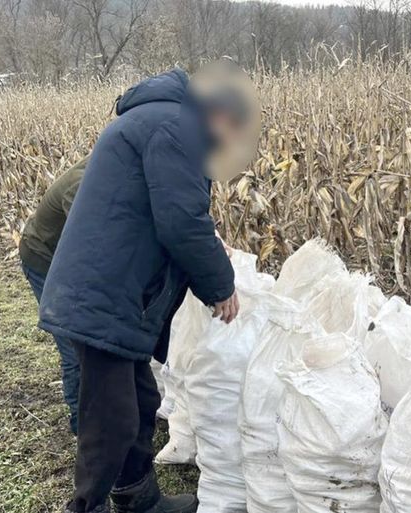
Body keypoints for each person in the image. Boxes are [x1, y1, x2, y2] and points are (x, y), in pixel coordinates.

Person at [38, 65, 258, 513]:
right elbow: (182, 221)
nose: (224, 144)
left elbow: (166, 210)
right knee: (111, 420)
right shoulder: (175, 126)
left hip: (116, 290)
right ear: (218, 113)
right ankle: (87, 507)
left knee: (140, 400)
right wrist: (220, 285)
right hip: (104, 295)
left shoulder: (164, 121)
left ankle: (140, 500)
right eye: (229, 130)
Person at [18, 156, 88, 435]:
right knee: (72, 340)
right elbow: (87, 238)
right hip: (43, 258)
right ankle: (80, 423)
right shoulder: (82, 184)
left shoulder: (107, 170)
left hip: (66, 258)